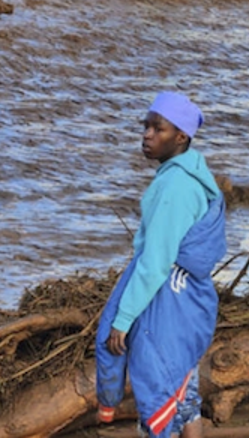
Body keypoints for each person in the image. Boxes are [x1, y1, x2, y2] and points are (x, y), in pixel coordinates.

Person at [96, 92, 226, 438]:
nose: (147, 135)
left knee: (156, 397)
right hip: (190, 301)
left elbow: (155, 263)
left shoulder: (174, 187)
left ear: (181, 136)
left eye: (159, 129)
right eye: (146, 126)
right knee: (185, 395)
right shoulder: (195, 175)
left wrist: (122, 320)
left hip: (166, 305)